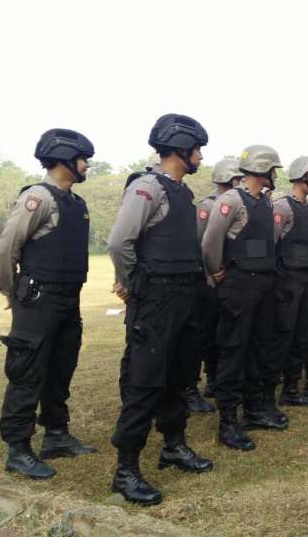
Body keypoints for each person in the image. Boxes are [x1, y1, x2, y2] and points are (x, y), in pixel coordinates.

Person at [108, 114, 213, 505]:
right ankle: (126, 470)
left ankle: (174, 445)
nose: (200, 156)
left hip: (185, 296)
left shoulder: (182, 192)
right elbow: (119, 243)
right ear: (180, 149)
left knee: (180, 376)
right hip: (156, 300)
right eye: (197, 149)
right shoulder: (147, 188)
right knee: (145, 380)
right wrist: (133, 283)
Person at [0, 129, 98, 480]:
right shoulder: (38, 198)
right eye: (83, 159)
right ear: (65, 158)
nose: (87, 165)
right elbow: (7, 248)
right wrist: (12, 293)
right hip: (38, 298)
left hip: (69, 298)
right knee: (27, 372)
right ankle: (18, 449)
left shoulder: (75, 203)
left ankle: (56, 434)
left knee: (61, 367)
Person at [200, 145, 283, 449]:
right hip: (238, 285)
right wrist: (215, 272)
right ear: (262, 170)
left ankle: (254, 410)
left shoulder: (266, 201)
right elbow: (210, 242)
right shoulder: (232, 200)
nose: (275, 175)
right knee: (234, 350)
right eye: (273, 169)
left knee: (259, 349)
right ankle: (228, 421)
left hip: (264, 284)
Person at [187, 158, 245, 414]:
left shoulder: (237, 203)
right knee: (203, 334)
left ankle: (215, 379)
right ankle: (194, 386)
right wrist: (213, 271)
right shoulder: (208, 205)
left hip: (226, 279)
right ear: (231, 180)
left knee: (220, 334)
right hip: (207, 279)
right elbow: (202, 242)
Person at [273, 156, 308, 408]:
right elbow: (272, 243)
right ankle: (270, 391)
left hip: (306, 278)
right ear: (301, 177)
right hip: (287, 280)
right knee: (283, 334)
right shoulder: (282, 207)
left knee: (303, 334)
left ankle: (292, 389)